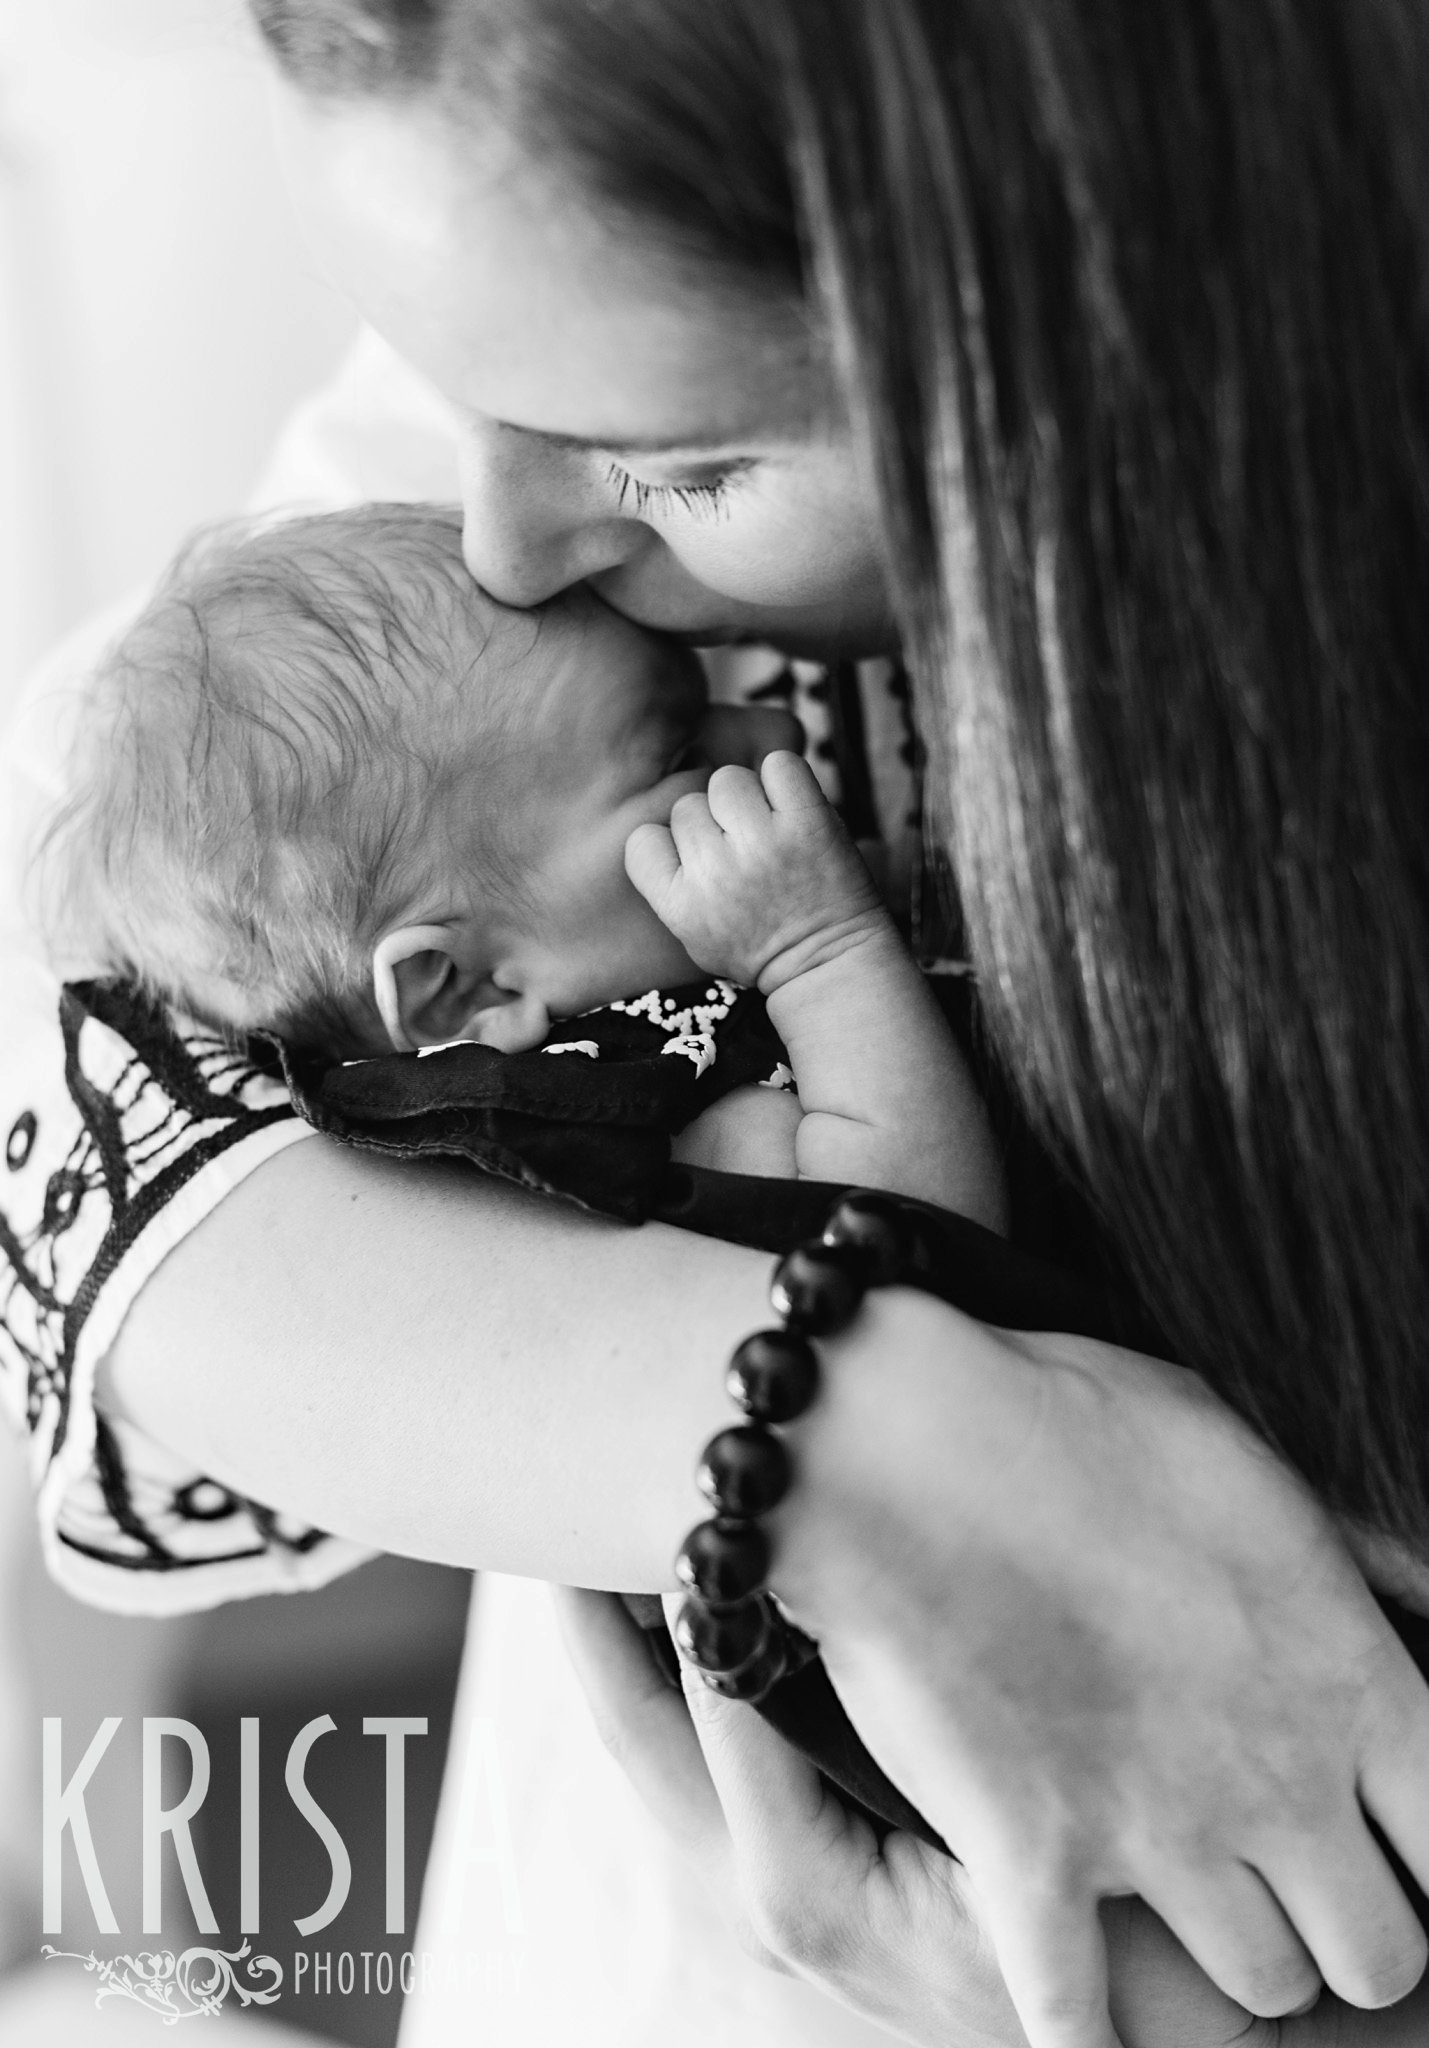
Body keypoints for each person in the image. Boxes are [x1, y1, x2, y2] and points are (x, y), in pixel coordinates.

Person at [3, 3, 1429, 2045]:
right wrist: (852, 1444)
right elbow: (74, 1089)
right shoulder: (546, 349)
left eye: (683, 464)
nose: (500, 547)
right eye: (445, 387)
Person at [39, 498, 1000, 1218]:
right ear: (463, 995)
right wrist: (821, 953)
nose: (776, 722)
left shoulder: (651, 988)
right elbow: (929, 1250)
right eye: (680, 756)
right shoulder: (613, 1115)